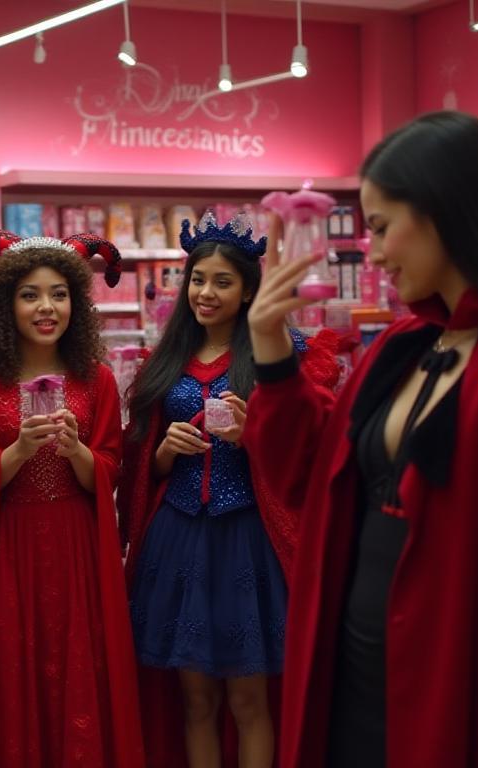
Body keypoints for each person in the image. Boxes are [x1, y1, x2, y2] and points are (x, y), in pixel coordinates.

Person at [243, 111, 478, 767]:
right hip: (355, 674)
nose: (373, 253)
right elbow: (306, 478)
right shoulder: (405, 344)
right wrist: (270, 348)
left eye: (380, 227)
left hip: (462, 683)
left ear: (444, 212)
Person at [118, 212, 338, 768]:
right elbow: (138, 461)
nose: (205, 293)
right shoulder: (164, 361)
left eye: (222, 282)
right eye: (197, 279)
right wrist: (164, 453)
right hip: (177, 541)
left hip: (248, 542)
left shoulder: (281, 358)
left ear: (248, 292)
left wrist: (253, 435)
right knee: (196, 702)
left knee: (249, 701)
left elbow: (311, 450)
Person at [0, 231, 144, 768]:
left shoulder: (97, 379)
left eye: (59, 294)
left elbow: (111, 471)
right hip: (5, 549)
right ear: (4, 302)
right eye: (30, 294)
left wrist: (77, 450)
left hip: (78, 548)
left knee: (80, 666)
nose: (46, 308)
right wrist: (17, 452)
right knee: (11, 669)